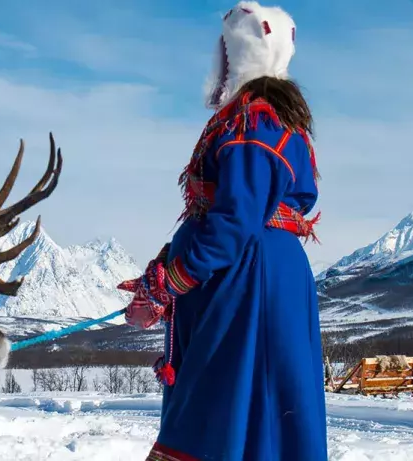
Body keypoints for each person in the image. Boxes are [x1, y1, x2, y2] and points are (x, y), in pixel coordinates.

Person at [117, 2, 328, 459]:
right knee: (244, 409)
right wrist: (168, 266)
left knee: (224, 405)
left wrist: (169, 283)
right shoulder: (260, 119)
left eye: (225, 52)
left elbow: (234, 220)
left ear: (239, 55)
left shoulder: (254, 122)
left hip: (247, 284)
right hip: (247, 276)